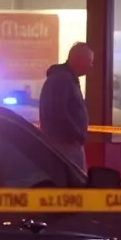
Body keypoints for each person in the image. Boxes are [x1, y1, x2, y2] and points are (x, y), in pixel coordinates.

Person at [39, 42, 94, 170]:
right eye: (89, 61)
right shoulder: (62, 80)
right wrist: (76, 134)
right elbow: (58, 113)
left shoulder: (66, 78)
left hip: (66, 144)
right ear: (77, 59)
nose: (91, 66)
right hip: (65, 146)